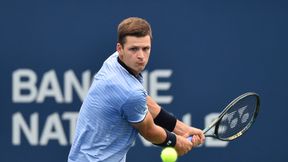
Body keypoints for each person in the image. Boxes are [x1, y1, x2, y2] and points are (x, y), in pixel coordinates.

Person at [68, 17, 205, 162]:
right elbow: (149, 130)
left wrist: (182, 129)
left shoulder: (114, 61)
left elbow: (144, 101)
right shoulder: (128, 91)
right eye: (134, 49)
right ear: (119, 49)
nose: (141, 56)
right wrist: (176, 142)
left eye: (145, 49)